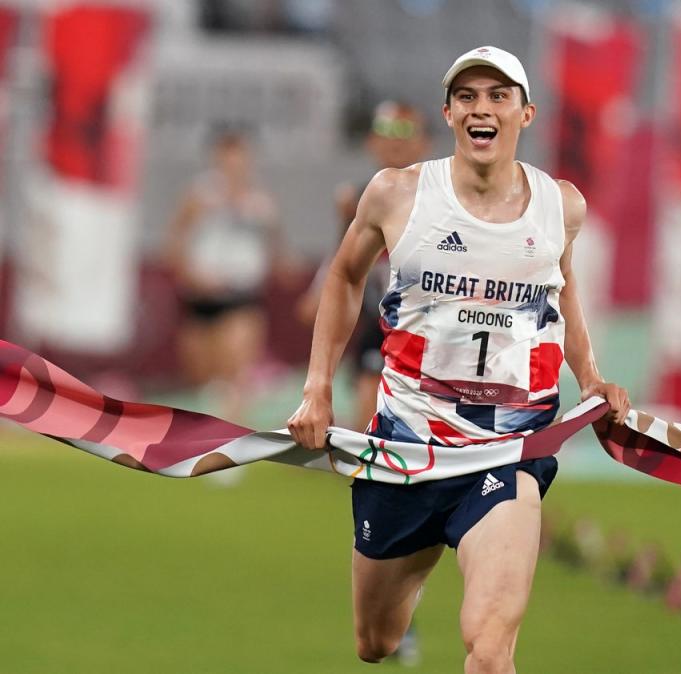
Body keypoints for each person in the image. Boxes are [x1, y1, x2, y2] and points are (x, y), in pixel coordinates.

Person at [287, 46, 630, 673]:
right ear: (448, 113)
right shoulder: (397, 194)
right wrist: (317, 390)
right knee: (376, 642)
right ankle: (419, 564)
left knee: (490, 644)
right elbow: (342, 279)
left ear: (526, 114)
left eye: (499, 97)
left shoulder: (562, 207)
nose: (483, 108)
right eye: (469, 96)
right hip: (405, 448)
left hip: (507, 449)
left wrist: (592, 379)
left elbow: (563, 287)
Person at [296, 101, 431, 432]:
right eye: (386, 132)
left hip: (435, 328)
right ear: (372, 142)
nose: (395, 141)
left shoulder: (442, 197)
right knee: (368, 423)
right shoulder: (356, 200)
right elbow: (344, 260)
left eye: (405, 132)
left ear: (423, 142)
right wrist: (320, 291)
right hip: (383, 325)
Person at [166, 126, 287, 424]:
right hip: (201, 296)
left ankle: (233, 443)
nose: (235, 163)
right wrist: (191, 275)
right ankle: (208, 435)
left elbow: (277, 251)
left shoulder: (261, 203)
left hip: (241, 296)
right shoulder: (201, 196)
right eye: (228, 156)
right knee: (205, 377)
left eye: (241, 156)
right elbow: (174, 243)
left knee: (237, 372)